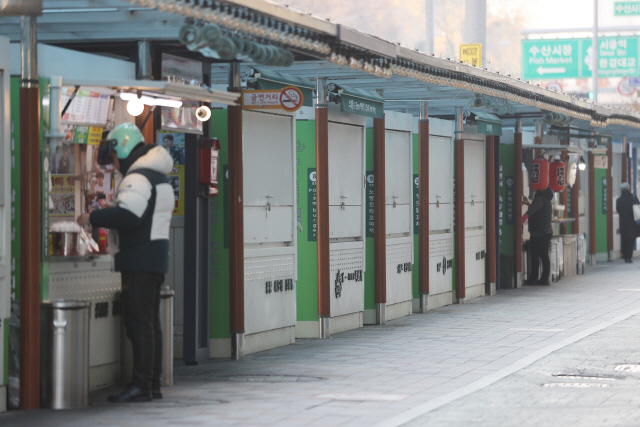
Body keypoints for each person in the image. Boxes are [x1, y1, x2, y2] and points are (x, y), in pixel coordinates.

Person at [77, 122, 174, 403]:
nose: (116, 164)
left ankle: (141, 386)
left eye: (115, 156)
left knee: (138, 323)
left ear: (122, 148)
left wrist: (92, 218)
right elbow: (140, 214)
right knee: (150, 322)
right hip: (154, 257)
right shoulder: (159, 177)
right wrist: (114, 211)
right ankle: (151, 384)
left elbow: (129, 218)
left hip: (138, 258)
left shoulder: (138, 178)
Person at [524, 186, 554, 285]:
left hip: (539, 233)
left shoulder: (540, 199)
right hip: (545, 232)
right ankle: (544, 279)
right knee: (544, 255)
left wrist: (521, 220)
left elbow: (530, 211)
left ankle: (534, 278)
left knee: (535, 256)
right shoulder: (546, 199)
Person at [616, 182, 639, 263]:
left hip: (623, 222)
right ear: (629, 189)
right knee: (630, 240)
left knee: (624, 239)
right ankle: (628, 257)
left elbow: (618, 210)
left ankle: (624, 255)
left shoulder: (619, 200)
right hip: (632, 222)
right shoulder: (633, 198)